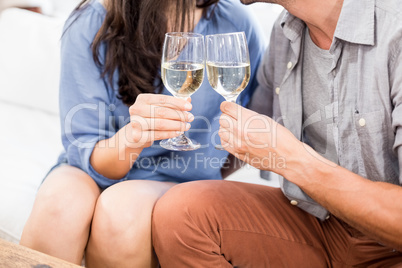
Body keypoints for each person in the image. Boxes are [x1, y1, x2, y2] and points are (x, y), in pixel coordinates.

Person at [152, 0, 402, 266]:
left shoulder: (394, 29)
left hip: (389, 244)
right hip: (318, 223)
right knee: (180, 213)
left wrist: (295, 160)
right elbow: (246, 139)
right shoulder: (286, 32)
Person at [19, 0, 266, 266]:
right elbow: (85, 145)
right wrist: (133, 137)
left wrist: (209, 170)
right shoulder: (91, 22)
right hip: (97, 165)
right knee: (59, 205)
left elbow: (253, 124)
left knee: (121, 211)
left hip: (177, 179)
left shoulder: (233, 22)